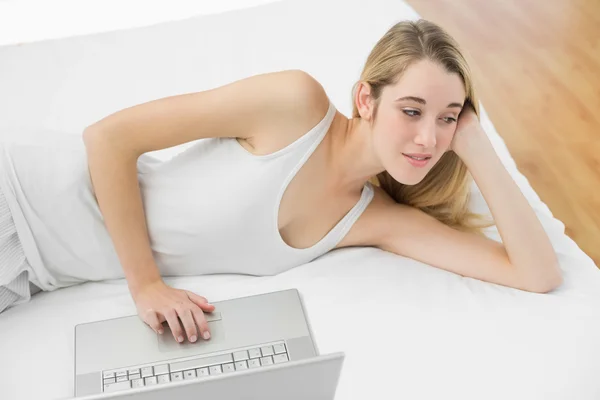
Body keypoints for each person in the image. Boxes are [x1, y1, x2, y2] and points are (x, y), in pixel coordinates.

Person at [0, 20, 562, 342]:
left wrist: (479, 148)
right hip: (24, 198)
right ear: (366, 98)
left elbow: (535, 275)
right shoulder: (296, 105)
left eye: (447, 118)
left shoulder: (376, 220)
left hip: (34, 273)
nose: (427, 140)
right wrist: (146, 285)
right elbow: (108, 139)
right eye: (411, 111)